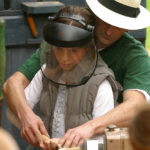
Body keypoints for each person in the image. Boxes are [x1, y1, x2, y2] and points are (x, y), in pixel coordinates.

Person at [3, 0, 150, 148]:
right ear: (94, 14)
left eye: (118, 24)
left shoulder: (133, 57)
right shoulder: (66, 37)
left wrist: (89, 128)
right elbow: (13, 84)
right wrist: (25, 116)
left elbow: (136, 107)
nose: (109, 31)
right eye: (105, 20)